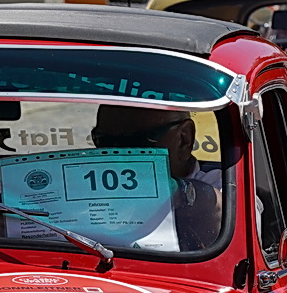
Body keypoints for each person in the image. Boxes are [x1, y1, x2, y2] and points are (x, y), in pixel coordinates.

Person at [90, 105, 223, 251]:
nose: (116, 155)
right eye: (104, 141)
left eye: (136, 142)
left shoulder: (224, 184)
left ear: (184, 139)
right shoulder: (87, 190)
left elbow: (220, 210)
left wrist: (182, 193)